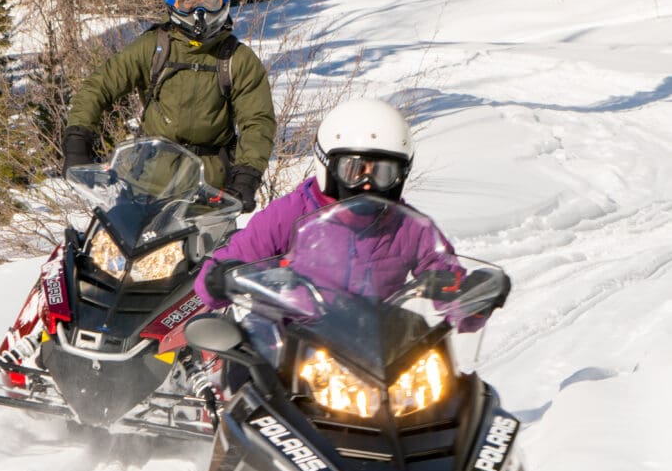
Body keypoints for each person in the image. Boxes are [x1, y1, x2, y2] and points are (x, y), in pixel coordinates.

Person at [196, 97, 509, 313]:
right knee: (242, 376)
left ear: (400, 175)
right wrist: (221, 277)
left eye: (383, 173)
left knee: (459, 389)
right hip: (289, 348)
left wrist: (471, 297)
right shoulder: (289, 214)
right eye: (354, 169)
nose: (368, 183)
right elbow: (228, 264)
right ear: (328, 165)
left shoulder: (408, 227)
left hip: (376, 352)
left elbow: (444, 273)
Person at [62, 0, 276, 214]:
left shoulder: (237, 59)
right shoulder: (155, 47)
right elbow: (99, 85)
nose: (199, 12)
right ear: (172, 3)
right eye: (187, 2)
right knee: (107, 236)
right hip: (147, 181)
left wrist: (246, 177)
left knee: (210, 242)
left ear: (224, 0)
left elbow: (258, 121)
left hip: (209, 188)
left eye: (209, 0)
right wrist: (78, 138)